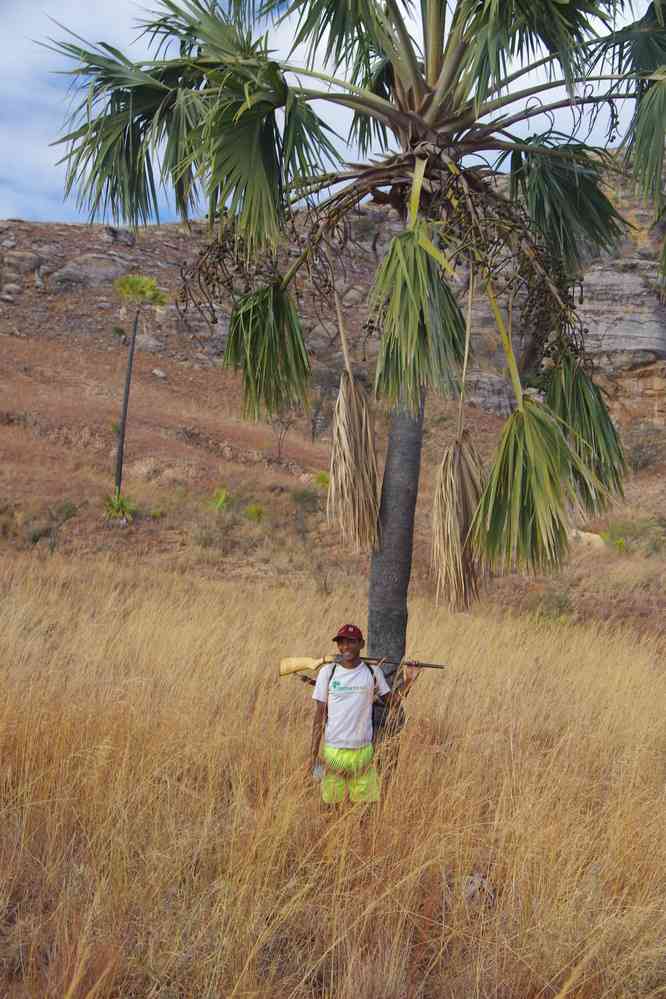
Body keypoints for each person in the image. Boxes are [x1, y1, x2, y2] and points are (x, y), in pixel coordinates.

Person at [310, 623, 420, 805]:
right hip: (333, 751)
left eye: (351, 642)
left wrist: (409, 680)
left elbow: (392, 702)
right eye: (342, 643)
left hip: (363, 752)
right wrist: (313, 755)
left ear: (361, 644)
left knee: (364, 807)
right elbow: (319, 714)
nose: (346, 647)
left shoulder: (372, 672)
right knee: (331, 805)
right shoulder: (327, 673)